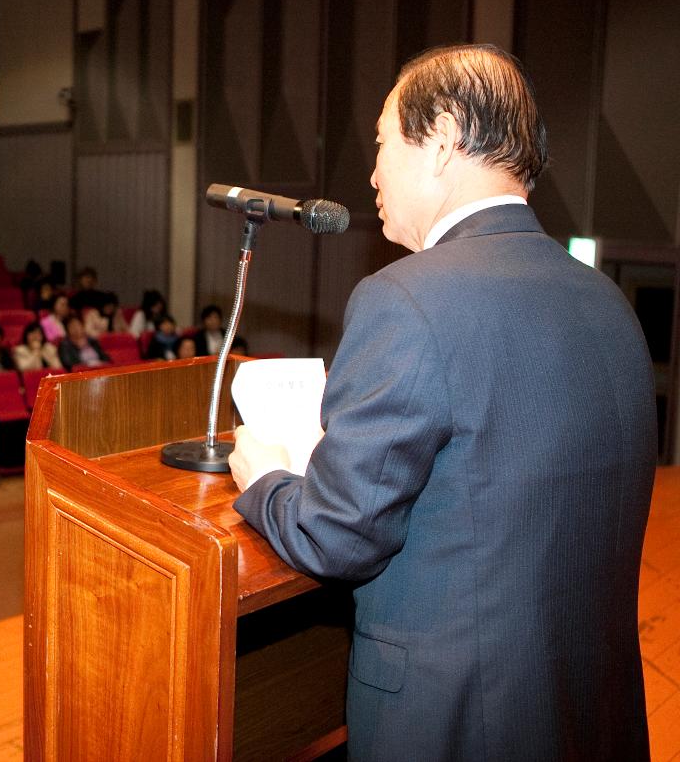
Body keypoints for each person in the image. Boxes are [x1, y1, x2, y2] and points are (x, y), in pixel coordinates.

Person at [227, 44, 656, 759]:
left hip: (458, 722)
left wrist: (265, 476)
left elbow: (336, 533)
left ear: (444, 139)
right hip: (588, 713)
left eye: (381, 142)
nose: (370, 173)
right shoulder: (609, 302)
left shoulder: (406, 298)